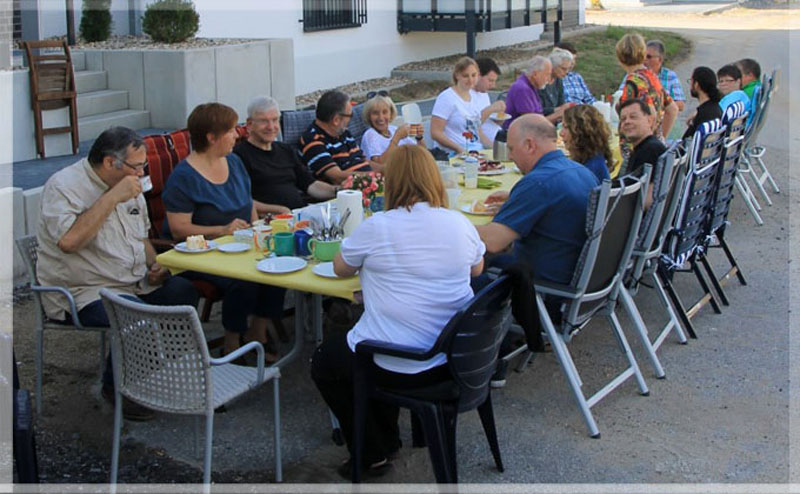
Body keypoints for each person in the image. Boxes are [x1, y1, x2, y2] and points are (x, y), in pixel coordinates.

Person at [311, 145, 485, 479]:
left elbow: (340, 268)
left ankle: (373, 449)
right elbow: (477, 270)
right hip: (453, 353)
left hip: (405, 359)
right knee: (367, 337)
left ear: (391, 182)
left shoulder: (379, 227)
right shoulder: (458, 222)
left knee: (327, 360)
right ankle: (384, 439)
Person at [37, 126, 200, 421]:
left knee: (184, 292)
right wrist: (112, 197)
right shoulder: (63, 186)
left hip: (132, 278)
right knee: (139, 319)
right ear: (111, 162)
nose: (141, 173)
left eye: (143, 166)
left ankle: (150, 370)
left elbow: (140, 236)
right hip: (84, 289)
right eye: (137, 166)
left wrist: (155, 265)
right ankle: (119, 389)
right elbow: (70, 242)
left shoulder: (129, 181)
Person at [162, 102, 281, 358]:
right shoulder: (184, 176)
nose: (237, 135)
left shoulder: (234, 162)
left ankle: (258, 332)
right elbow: (178, 229)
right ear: (211, 137)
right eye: (230, 130)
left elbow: (247, 202)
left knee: (278, 262)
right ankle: (232, 342)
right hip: (202, 251)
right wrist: (222, 229)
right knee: (245, 278)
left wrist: (257, 229)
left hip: (239, 243)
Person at [476, 114, 598, 286]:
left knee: (471, 273)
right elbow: (556, 210)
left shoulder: (537, 183)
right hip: (582, 277)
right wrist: (515, 200)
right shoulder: (582, 171)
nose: (510, 157)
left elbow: (493, 242)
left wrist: (454, 222)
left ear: (529, 145)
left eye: (511, 149)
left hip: (546, 284)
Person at [235, 96, 337, 214]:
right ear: (249, 124)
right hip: (271, 221)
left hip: (301, 213)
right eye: (264, 121)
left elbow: (311, 185)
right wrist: (279, 210)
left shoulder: (285, 150)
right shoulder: (239, 156)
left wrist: (340, 190)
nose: (271, 127)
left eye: (275, 120)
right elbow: (240, 200)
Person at [615, 33, 678, 160]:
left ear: (620, 58)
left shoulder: (633, 82)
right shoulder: (651, 77)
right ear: (643, 55)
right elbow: (672, 109)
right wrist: (660, 137)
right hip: (655, 145)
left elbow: (651, 114)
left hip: (639, 151)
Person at [299, 90, 374, 184]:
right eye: (350, 115)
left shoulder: (344, 133)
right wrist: (373, 177)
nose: (351, 120)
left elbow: (364, 162)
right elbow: (336, 177)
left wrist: (387, 170)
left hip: (370, 185)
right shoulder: (313, 140)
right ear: (336, 120)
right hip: (350, 192)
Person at [430, 56, 491, 154]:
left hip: (475, 150)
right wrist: (458, 149)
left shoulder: (474, 96)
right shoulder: (447, 97)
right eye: (465, 76)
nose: (470, 80)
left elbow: (477, 131)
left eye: (473, 75)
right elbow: (435, 132)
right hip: (452, 153)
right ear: (457, 75)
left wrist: (493, 147)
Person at [618, 40, 686, 112]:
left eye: (648, 57)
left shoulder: (670, 76)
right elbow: (619, 95)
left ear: (660, 59)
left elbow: (680, 105)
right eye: (643, 56)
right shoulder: (634, 75)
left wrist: (656, 104)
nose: (644, 60)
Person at [359, 92, 422, 163]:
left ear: (391, 113)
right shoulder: (370, 135)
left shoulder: (393, 129)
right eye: (375, 113)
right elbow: (379, 163)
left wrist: (419, 137)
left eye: (385, 112)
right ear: (369, 116)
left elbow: (421, 153)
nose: (381, 118)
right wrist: (397, 138)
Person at [560, 105, 612, 182]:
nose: (561, 133)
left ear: (580, 132)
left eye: (566, 127)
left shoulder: (588, 170)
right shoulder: (596, 158)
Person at [619, 98, 667, 179]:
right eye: (623, 119)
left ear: (650, 121)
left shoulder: (651, 151)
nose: (627, 122)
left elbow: (649, 190)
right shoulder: (641, 148)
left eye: (633, 117)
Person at [503, 56, 552, 129]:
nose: (548, 79)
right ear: (535, 74)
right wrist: (558, 115)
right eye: (547, 74)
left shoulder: (531, 86)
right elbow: (532, 123)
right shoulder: (522, 89)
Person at [683, 66, 723, 140]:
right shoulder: (715, 108)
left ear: (696, 85)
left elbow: (685, 141)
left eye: (691, 81)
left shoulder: (704, 114)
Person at [474, 57, 507, 142]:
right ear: (478, 75)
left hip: (497, 136)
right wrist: (491, 109)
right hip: (482, 144)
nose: (493, 86)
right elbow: (472, 126)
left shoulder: (483, 93)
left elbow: (487, 120)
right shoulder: (467, 96)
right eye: (490, 80)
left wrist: (499, 118)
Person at [538, 48, 574, 124]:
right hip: (540, 121)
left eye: (568, 69)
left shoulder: (558, 80)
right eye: (563, 69)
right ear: (553, 66)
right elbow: (536, 109)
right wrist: (556, 110)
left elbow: (561, 102)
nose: (566, 72)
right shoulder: (539, 81)